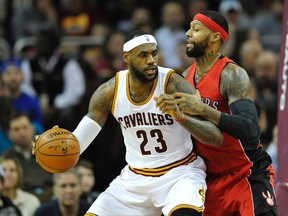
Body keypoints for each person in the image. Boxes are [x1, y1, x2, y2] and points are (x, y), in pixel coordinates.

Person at [34, 30, 224, 216]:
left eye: (154, 53)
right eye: (143, 55)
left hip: (179, 173)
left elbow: (215, 137)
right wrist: (55, 148)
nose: (151, 60)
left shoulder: (173, 84)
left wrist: (181, 117)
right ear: (127, 57)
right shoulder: (109, 91)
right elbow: (79, 141)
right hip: (135, 179)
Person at [156, 10, 278, 216]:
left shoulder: (232, 74)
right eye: (189, 28)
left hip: (245, 171)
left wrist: (203, 109)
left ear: (215, 37)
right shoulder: (186, 77)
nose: (187, 33)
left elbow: (251, 129)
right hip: (211, 177)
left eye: (195, 29)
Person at [3, 111, 53, 202]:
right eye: (16, 129)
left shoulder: (48, 151)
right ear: (9, 134)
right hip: (23, 202)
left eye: (25, 127)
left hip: (51, 198)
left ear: (33, 129)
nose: (22, 133)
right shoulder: (6, 159)